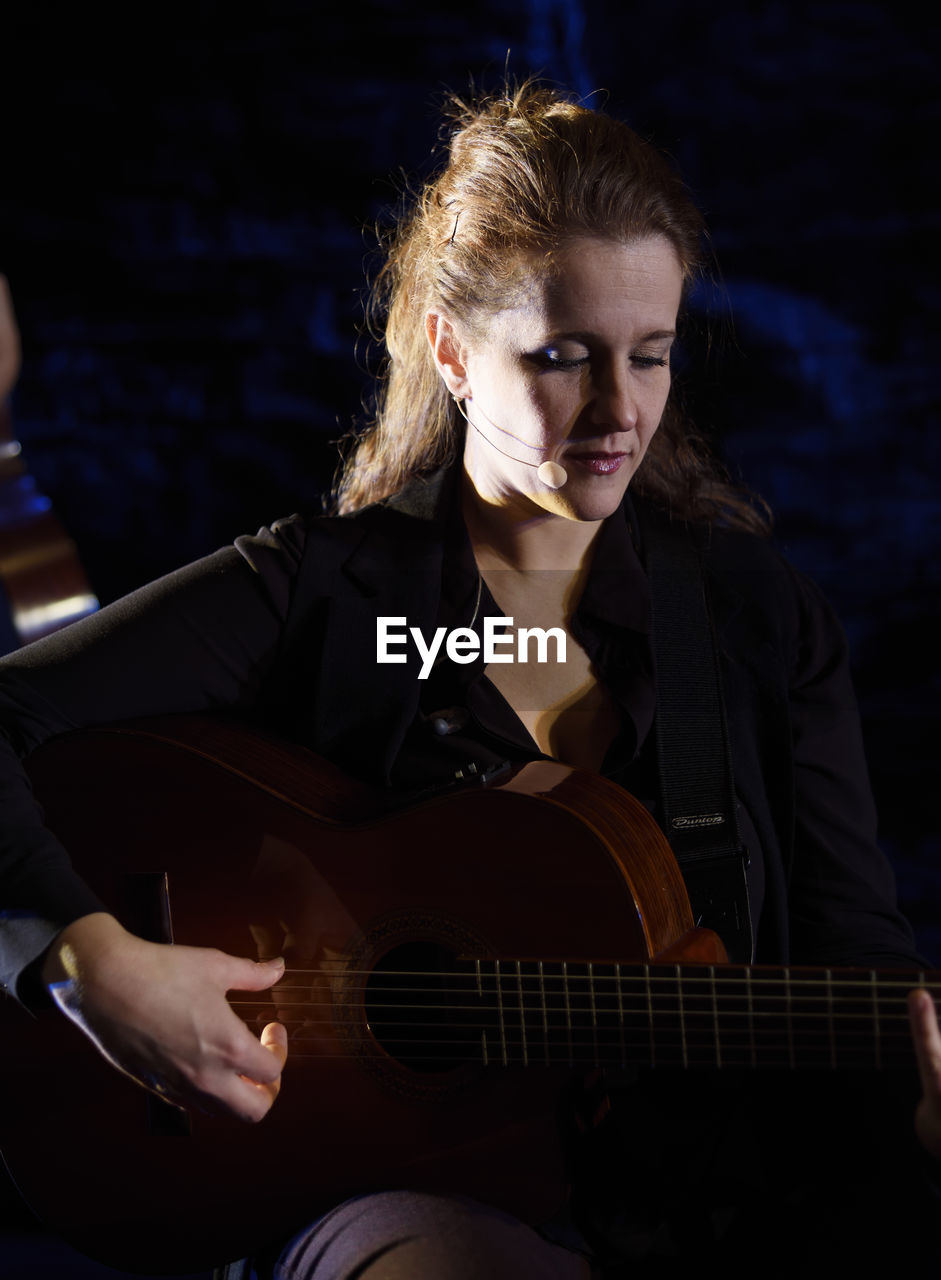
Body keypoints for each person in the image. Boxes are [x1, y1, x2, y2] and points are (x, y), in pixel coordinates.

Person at [0, 84, 939, 1277]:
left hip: (722, 1205)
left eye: (649, 356)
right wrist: (89, 959)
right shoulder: (317, 593)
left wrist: (915, 1120)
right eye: (560, 357)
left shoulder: (756, 622)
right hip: (388, 1192)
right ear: (450, 349)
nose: (618, 411)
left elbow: (855, 962)